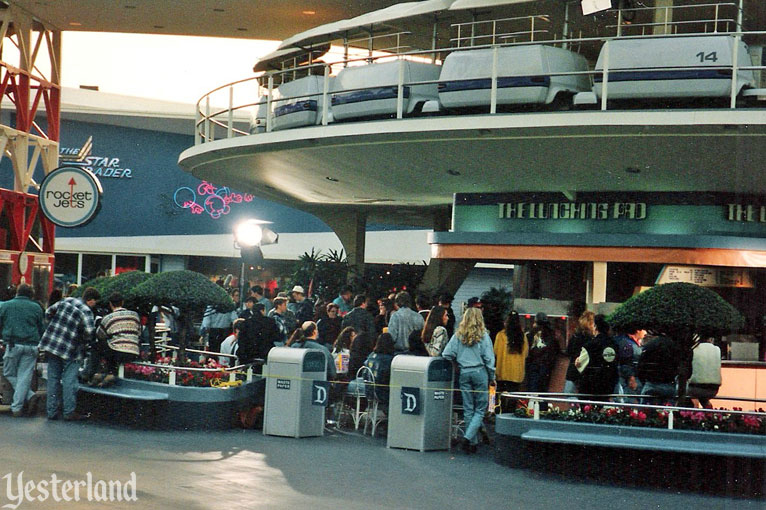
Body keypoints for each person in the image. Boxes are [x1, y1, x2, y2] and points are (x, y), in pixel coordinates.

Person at [39, 286, 100, 421]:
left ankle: (51, 411)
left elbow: (48, 312)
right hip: (72, 349)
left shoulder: (66, 301)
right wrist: (82, 339)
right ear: (90, 300)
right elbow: (90, 333)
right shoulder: (86, 311)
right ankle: (69, 411)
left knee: (53, 378)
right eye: (95, 302)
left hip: (53, 344)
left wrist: (55, 327)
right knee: (69, 380)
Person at [441, 307, 496, 454]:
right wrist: (492, 377)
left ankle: (472, 443)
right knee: (480, 408)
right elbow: (489, 359)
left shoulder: (458, 335)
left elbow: (447, 354)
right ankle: (467, 438)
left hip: (464, 372)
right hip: (480, 371)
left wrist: (457, 364)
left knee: (468, 407)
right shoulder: (484, 336)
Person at [0, 284, 45, 417]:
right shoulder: (36, 307)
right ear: (31, 294)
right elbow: (41, 327)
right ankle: (23, 401)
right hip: (31, 345)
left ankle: (19, 406)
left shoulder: (6, 306)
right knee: (24, 376)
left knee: (8, 373)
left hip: (13, 344)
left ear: (17, 293)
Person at [88, 292, 141, 388]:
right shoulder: (135, 315)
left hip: (116, 352)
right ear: (122, 302)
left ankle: (96, 373)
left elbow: (100, 335)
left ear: (110, 304)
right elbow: (138, 332)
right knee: (112, 347)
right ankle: (111, 373)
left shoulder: (108, 318)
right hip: (134, 352)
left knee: (99, 346)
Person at [576, 314, 619, 401]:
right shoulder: (614, 344)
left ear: (595, 327)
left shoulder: (589, 345)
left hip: (590, 387)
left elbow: (580, 365)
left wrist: (577, 362)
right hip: (609, 385)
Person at [637, 335, 681, 405]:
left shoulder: (649, 346)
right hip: (669, 384)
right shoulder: (675, 347)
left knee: (647, 411)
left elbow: (640, 368)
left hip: (651, 384)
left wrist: (645, 380)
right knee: (669, 411)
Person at [493, 311, 528, 393]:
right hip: (517, 374)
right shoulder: (522, 336)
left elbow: (495, 352)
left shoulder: (500, 335)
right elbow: (526, 354)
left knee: (501, 399)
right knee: (513, 399)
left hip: (502, 373)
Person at [563, 311, 596, 397]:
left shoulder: (576, 336)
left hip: (573, 370)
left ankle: (575, 409)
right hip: (587, 372)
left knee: (569, 394)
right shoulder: (592, 339)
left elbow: (568, 352)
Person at [525, 312, 557, 395]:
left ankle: (532, 407)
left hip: (534, 366)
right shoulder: (551, 335)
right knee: (543, 392)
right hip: (545, 367)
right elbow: (555, 351)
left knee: (532, 391)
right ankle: (543, 407)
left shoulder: (531, 334)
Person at [687, 338, 722, 409]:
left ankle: (694, 407)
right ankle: (709, 414)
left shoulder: (694, 348)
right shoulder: (717, 349)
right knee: (703, 397)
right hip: (714, 388)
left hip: (695, 387)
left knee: (684, 389)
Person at [363, 333, 396, 406]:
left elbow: (364, 374)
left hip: (369, 391)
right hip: (381, 393)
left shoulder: (371, 356)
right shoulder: (389, 360)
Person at [614, 327, 646, 402]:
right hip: (630, 380)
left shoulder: (632, 343)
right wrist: (631, 377)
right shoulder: (627, 343)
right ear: (638, 330)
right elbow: (625, 363)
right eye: (644, 330)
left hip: (635, 378)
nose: (646, 333)